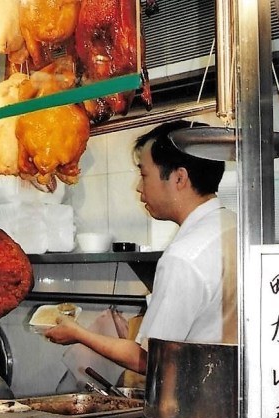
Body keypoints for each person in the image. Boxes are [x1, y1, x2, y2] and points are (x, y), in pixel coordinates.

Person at [45, 120, 238, 374]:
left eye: (144, 175)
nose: (138, 187)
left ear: (179, 178)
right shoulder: (235, 226)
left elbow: (149, 360)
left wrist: (78, 333)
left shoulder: (183, 257)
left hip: (200, 392)